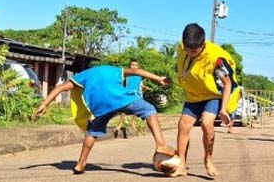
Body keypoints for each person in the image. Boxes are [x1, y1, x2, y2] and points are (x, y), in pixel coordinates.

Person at [32, 64, 171, 174]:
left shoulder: (84, 75)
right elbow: (136, 71)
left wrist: (44, 104)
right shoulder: (114, 70)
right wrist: (158, 78)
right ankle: (160, 145)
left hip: (100, 107)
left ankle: (81, 163)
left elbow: (61, 87)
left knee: (92, 131)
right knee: (149, 110)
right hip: (121, 98)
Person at [172, 23, 240, 178]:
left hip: (212, 94)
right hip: (193, 94)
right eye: (187, 49)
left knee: (207, 122)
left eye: (194, 51)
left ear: (202, 45)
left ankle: (208, 159)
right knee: (183, 125)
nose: (190, 53)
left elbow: (227, 83)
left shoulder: (216, 58)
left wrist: (223, 109)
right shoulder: (182, 47)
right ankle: (181, 165)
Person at [114, 59, 144, 138]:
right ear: (130, 66)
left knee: (136, 110)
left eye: (135, 65)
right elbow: (122, 83)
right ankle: (120, 124)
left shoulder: (140, 76)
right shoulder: (126, 75)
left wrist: (144, 87)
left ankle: (133, 123)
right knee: (124, 110)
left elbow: (140, 84)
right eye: (132, 65)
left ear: (138, 66)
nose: (134, 66)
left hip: (137, 94)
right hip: (128, 93)